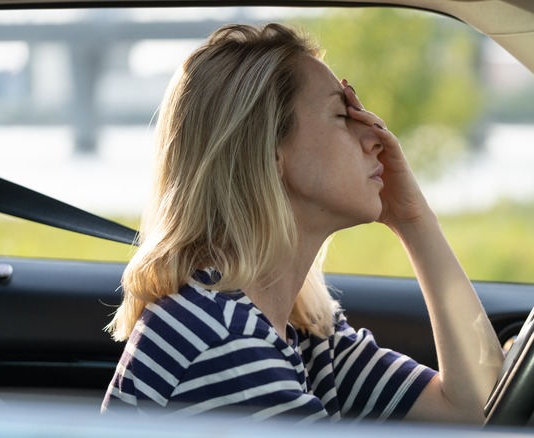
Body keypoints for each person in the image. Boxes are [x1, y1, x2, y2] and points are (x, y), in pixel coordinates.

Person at [102, 22, 504, 424]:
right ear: (269, 152)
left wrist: (414, 219)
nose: (376, 135)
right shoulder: (224, 347)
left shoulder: (302, 335)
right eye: (342, 114)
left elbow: (474, 408)